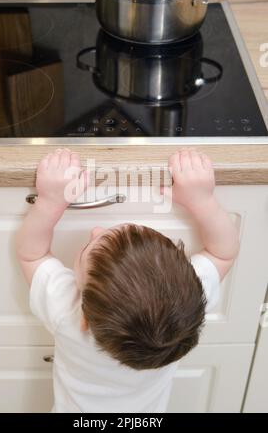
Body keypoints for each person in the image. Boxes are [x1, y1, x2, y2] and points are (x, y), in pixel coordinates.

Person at [16, 148, 239, 413]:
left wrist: (50, 201)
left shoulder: (68, 314)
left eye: (88, 246)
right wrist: (202, 200)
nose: (96, 229)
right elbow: (222, 251)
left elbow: (31, 254)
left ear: (84, 316)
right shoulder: (185, 304)